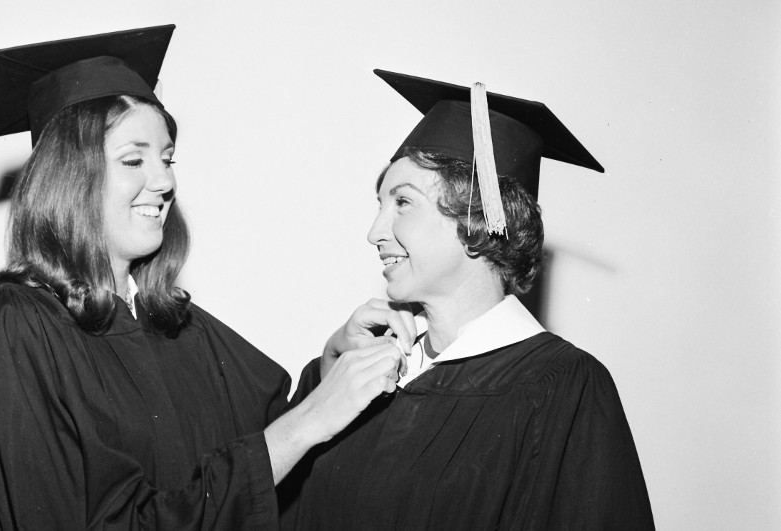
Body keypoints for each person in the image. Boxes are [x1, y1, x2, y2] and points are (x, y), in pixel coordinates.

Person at [0, 27, 410, 530]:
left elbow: (270, 449)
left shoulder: (178, 325)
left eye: (167, 158)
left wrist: (335, 361)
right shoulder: (19, 327)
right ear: (70, 175)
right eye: (134, 159)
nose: (166, 181)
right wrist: (309, 421)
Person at [280, 70, 655, 530]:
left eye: (402, 203)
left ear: (477, 218)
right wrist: (325, 370)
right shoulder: (366, 371)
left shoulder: (561, 387)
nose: (374, 232)